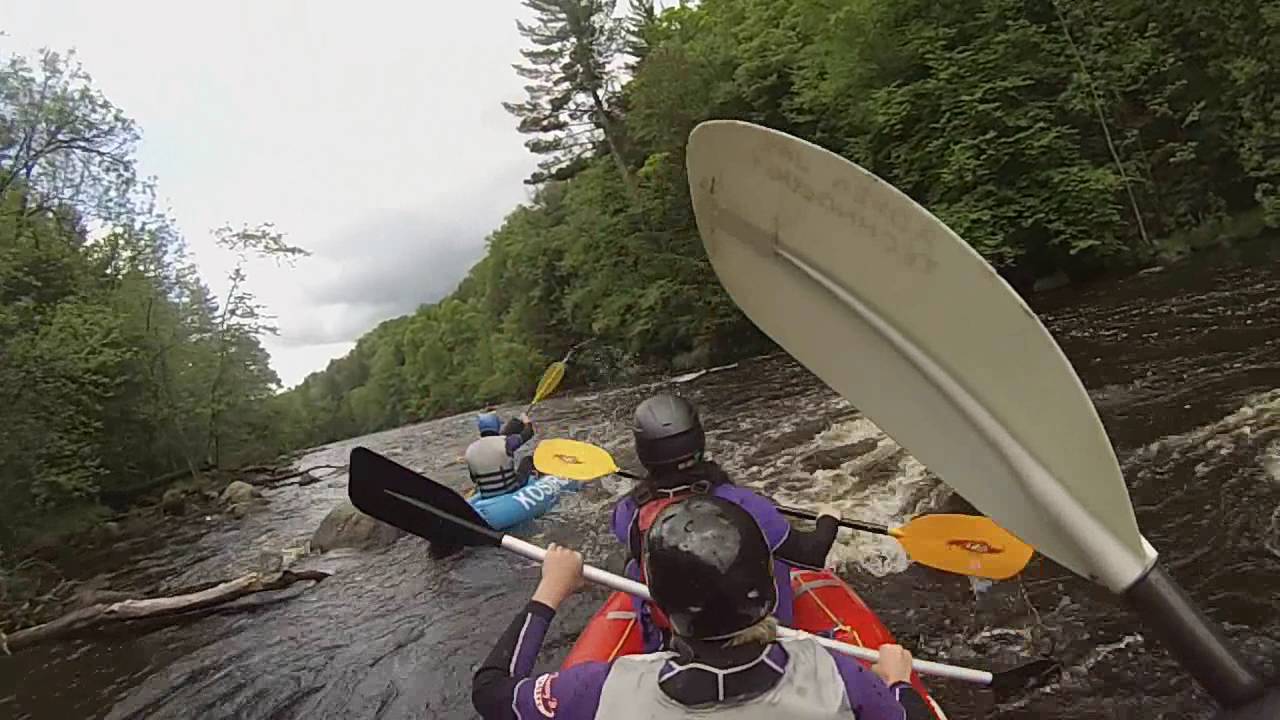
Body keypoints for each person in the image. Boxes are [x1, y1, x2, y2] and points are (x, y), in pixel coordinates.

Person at [472, 496, 935, 719]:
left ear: (657, 604)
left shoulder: (601, 691)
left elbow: (492, 692)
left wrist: (548, 593)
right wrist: (897, 682)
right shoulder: (832, 673)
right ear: (770, 590)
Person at [610, 393, 841, 649]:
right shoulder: (741, 504)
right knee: (773, 554)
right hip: (754, 639)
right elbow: (811, 555)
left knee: (635, 562)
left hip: (676, 641)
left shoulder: (628, 511)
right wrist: (829, 517)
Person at [465, 434, 536, 499]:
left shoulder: (470, 450)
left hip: (487, 495)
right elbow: (525, 434)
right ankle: (540, 476)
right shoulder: (506, 442)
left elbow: (474, 479)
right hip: (511, 490)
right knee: (527, 459)